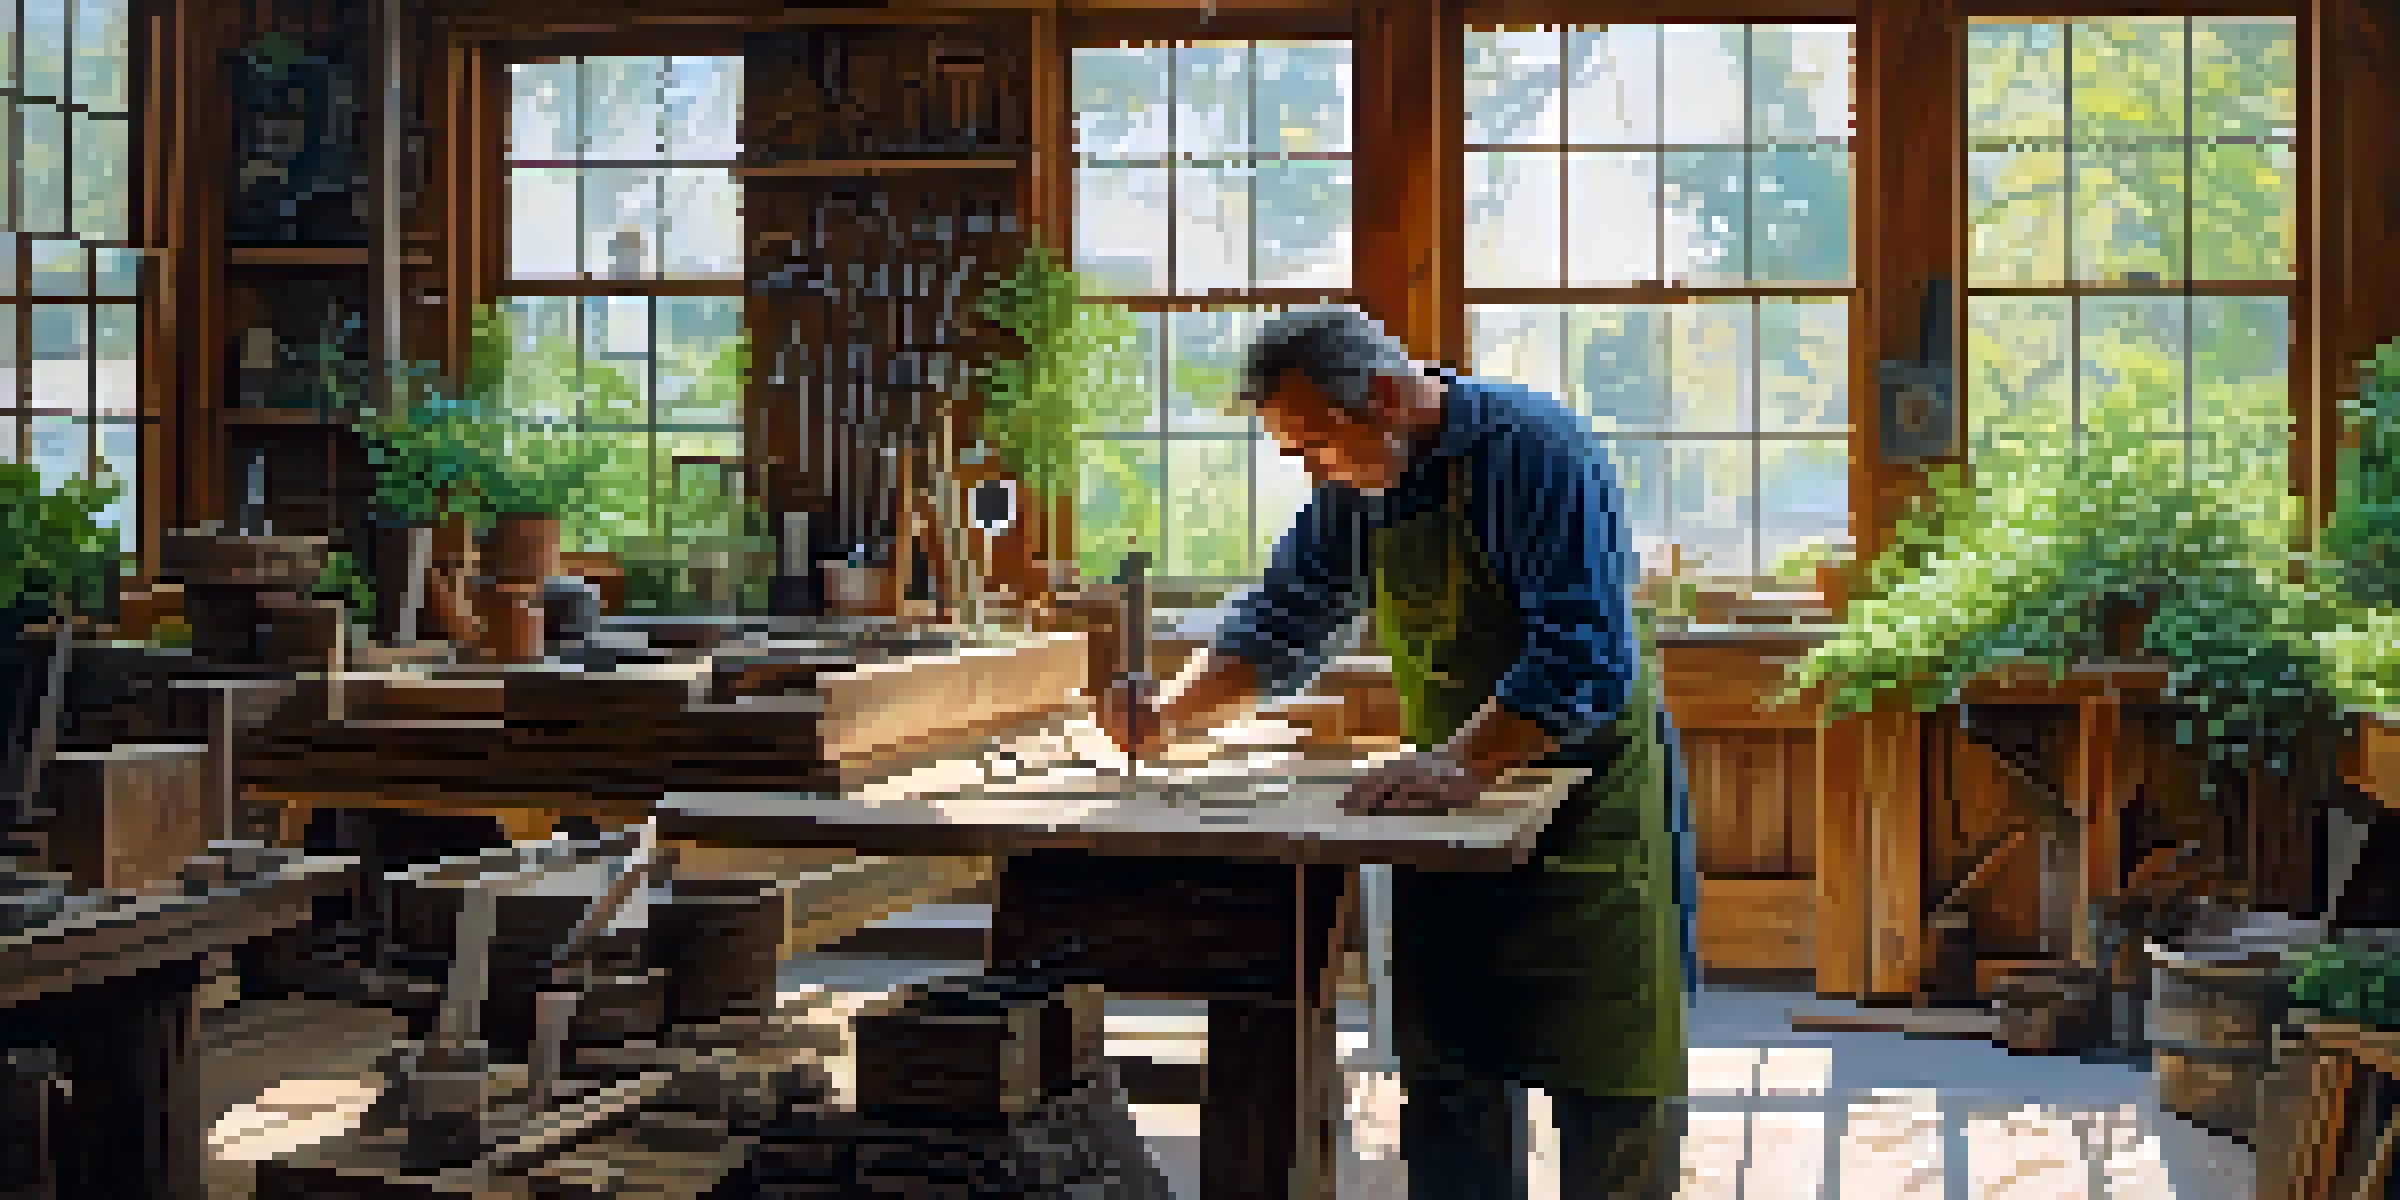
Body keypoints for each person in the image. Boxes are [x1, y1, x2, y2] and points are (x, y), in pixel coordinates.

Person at [1098, 308, 1694, 1200]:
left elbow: (1584, 654)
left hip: (1587, 810)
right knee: (1448, 1077)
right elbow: (1284, 620)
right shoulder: (1360, 488)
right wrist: (1173, 713)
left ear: (1382, 398)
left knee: (1610, 1087)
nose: (1311, 466)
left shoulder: (1535, 452)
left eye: (1314, 441)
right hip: (1448, 813)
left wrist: (1461, 764)